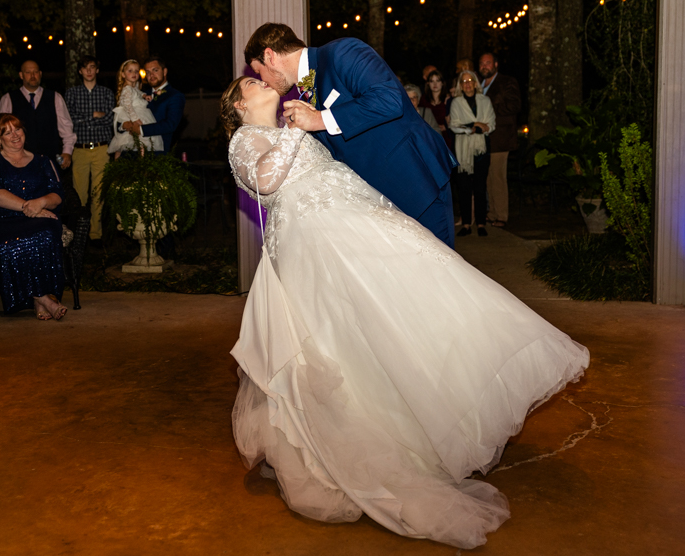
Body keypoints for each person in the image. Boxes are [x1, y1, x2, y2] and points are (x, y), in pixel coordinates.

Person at [220, 76, 589, 549]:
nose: (263, 81)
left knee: (392, 327)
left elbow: (339, 179)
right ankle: (347, 449)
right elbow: (268, 180)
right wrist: (297, 128)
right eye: (251, 81)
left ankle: (408, 432)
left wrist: (387, 219)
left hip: (349, 239)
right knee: (335, 349)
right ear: (237, 105)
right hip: (312, 253)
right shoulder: (243, 140)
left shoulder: (300, 127)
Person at [244, 23, 458, 248]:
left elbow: (389, 100)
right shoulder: (305, 98)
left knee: (444, 277)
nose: (263, 80)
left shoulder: (341, 52)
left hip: (416, 182)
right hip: (381, 207)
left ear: (269, 56)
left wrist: (318, 119)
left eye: (259, 71)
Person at [0, 114, 68, 321]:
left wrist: (41, 203)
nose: (14, 135)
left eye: (17, 130)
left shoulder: (44, 161)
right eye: (7, 133)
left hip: (39, 216)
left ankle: (40, 298)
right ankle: (43, 298)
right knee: (12, 242)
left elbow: (57, 194)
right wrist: (28, 206)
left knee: (45, 232)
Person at [63, 55, 114, 242]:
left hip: (102, 148)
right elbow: (70, 119)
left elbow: (110, 119)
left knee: (99, 192)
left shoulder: (107, 93)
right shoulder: (72, 93)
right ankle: (80, 235)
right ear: (80, 71)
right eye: (85, 68)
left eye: (93, 67)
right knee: (79, 193)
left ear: (97, 70)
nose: (89, 71)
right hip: (80, 149)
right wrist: (94, 115)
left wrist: (84, 117)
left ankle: (96, 235)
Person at [0, 60, 76, 171]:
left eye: (36, 72)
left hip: (50, 161)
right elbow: (1, 132)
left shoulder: (55, 97)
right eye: (28, 72)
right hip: (19, 162)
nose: (33, 75)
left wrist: (67, 152)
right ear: (21, 75)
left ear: (40, 74)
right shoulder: (8, 99)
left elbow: (66, 128)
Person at [478, 52, 522, 230]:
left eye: (488, 63)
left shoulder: (507, 82)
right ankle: (492, 213)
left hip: (501, 138)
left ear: (496, 64)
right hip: (483, 139)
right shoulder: (479, 85)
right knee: (487, 177)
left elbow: (514, 106)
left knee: (497, 177)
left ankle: (502, 215)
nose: (484, 66)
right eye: (481, 63)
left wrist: (488, 109)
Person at [450, 70, 495, 237]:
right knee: (464, 188)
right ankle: (467, 224)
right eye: (464, 81)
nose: (467, 83)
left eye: (470, 80)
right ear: (460, 85)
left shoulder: (485, 101)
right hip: (462, 150)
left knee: (480, 187)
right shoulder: (456, 103)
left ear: (476, 83)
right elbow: (454, 126)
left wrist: (475, 127)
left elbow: (491, 124)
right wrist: (475, 124)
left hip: (481, 148)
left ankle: (481, 223)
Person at [119, 56, 185, 154]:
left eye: (155, 70)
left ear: (165, 71)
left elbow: (170, 125)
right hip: (132, 151)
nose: (151, 75)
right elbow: (122, 112)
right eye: (148, 72)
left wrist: (140, 129)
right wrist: (124, 125)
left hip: (158, 154)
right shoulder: (140, 94)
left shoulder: (175, 96)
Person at [109, 59, 164, 158]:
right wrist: (135, 119)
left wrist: (144, 96)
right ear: (123, 74)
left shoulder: (134, 87)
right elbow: (128, 106)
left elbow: (138, 92)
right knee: (136, 142)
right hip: (133, 116)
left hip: (140, 115)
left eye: (136, 71)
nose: (134, 73)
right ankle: (136, 163)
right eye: (130, 71)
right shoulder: (127, 89)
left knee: (134, 143)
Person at [423, 69, 453, 152]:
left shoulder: (448, 100)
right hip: (428, 138)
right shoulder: (423, 101)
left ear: (442, 83)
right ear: (428, 83)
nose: (435, 84)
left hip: (445, 138)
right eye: (432, 81)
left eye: (438, 80)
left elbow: (455, 121)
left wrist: (446, 127)